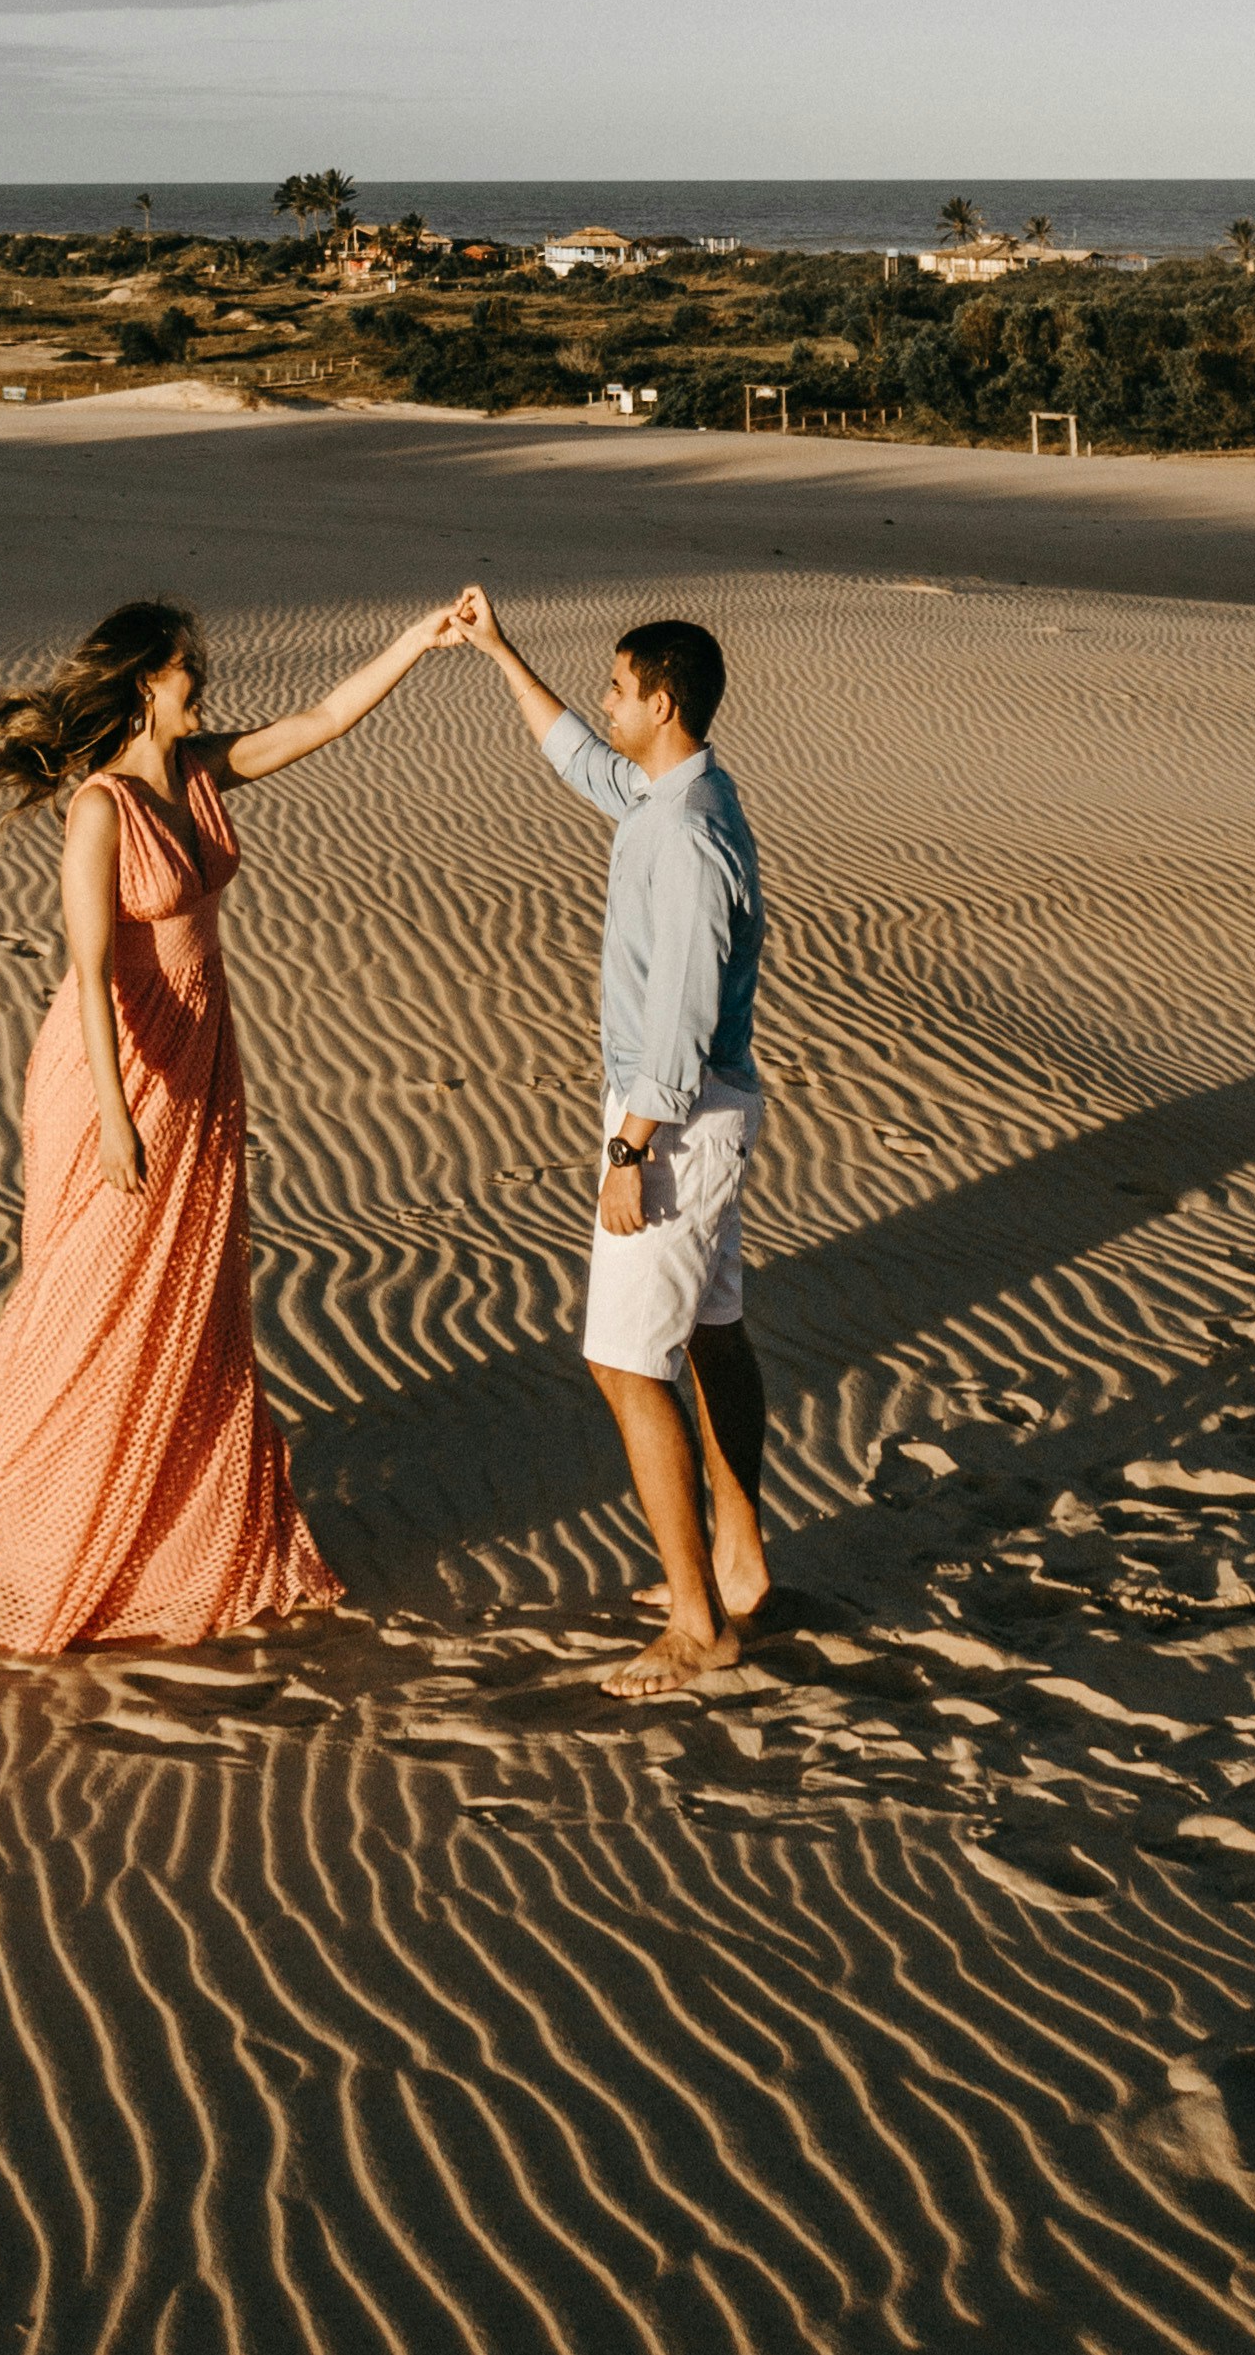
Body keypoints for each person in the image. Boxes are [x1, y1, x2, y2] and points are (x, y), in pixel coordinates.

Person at [0, 592, 458, 1656]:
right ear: (148, 682)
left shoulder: (196, 772)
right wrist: (112, 1117)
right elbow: (89, 973)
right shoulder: (100, 809)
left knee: (188, 1296)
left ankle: (168, 1539)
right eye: (189, 668)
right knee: (92, 1293)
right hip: (116, 1070)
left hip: (200, 1057)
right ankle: (43, 1536)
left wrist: (418, 641)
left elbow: (322, 721)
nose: (205, 682)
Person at [447, 592, 768, 1695]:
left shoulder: (682, 836)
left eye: (619, 689)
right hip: (695, 1111)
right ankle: (736, 1557)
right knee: (711, 1331)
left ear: (661, 701)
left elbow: (676, 1015)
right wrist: (498, 654)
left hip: (668, 1121)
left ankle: (697, 1624)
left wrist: (628, 1152)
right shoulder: (677, 792)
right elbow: (584, 763)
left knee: (625, 1362)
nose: (606, 702)